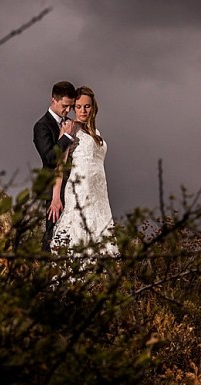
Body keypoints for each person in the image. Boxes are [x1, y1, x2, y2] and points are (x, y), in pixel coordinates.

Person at [48, 85, 118, 257]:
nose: (82, 110)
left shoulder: (96, 132)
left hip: (99, 190)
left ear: (93, 107)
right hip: (80, 187)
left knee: (100, 231)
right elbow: (60, 165)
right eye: (78, 107)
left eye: (86, 106)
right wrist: (56, 197)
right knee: (80, 232)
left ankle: (99, 279)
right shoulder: (70, 127)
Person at [33, 81, 79, 251]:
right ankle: (46, 273)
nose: (68, 110)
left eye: (71, 107)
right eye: (65, 106)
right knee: (52, 233)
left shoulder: (70, 124)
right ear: (54, 100)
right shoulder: (41, 126)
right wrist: (66, 137)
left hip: (74, 187)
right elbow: (50, 158)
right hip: (53, 188)